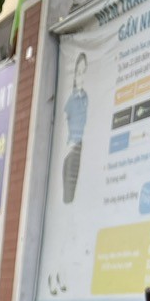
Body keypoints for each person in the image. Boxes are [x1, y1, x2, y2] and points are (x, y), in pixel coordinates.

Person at [62, 52, 89, 204]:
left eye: (84, 72)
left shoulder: (86, 98)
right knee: (68, 197)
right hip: (71, 149)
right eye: (79, 73)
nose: (81, 77)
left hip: (80, 148)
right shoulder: (71, 100)